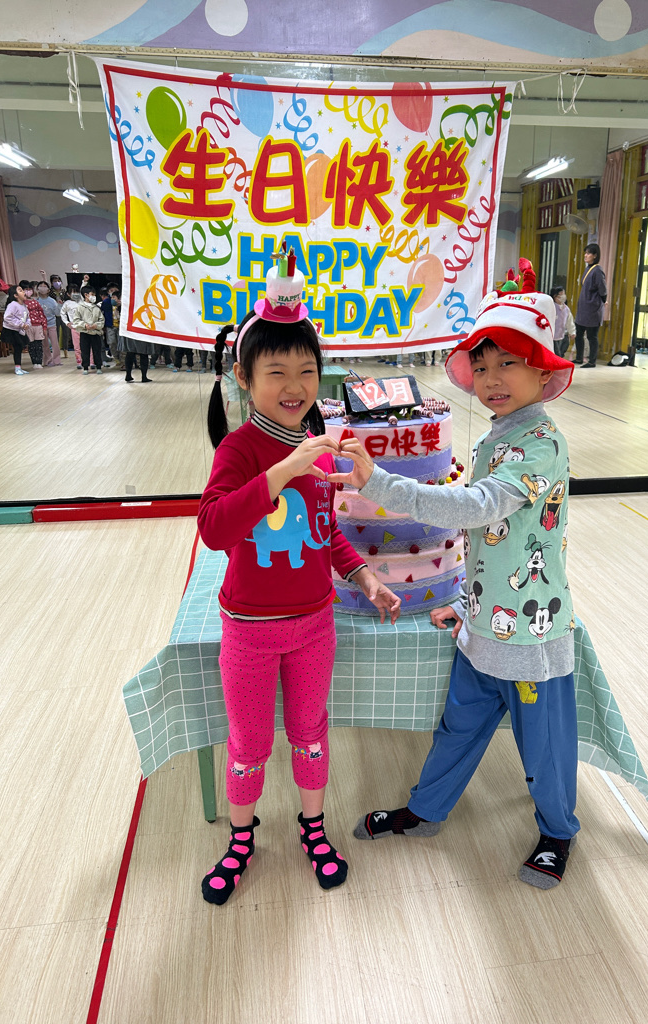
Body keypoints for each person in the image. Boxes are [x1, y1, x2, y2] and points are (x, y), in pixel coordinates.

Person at [333, 259, 581, 890]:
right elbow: (490, 540)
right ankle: (426, 810)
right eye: (483, 365)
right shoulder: (499, 435)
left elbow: (478, 508)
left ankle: (558, 831)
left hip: (529, 634)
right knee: (458, 729)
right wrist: (467, 602)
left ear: (543, 371)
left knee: (544, 746)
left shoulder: (540, 445)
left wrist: (381, 483)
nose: (492, 379)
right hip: (481, 624)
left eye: (509, 364)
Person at [196, 261, 400, 906]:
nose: (294, 386)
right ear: (245, 377)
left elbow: (323, 531)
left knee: (311, 732)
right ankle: (241, 838)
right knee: (249, 742)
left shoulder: (314, 445)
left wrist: (364, 574)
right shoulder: (238, 451)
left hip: (315, 625)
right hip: (249, 632)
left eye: (306, 371)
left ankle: (312, 826)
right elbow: (215, 529)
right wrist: (282, 470)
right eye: (276, 372)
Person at [573, 244, 607, 368]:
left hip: (592, 308)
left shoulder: (598, 270)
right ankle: (579, 358)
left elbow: (602, 289)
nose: (585, 255)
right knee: (579, 334)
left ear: (595, 255)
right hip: (583, 307)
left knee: (592, 336)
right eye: (585, 253)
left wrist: (603, 301)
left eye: (588, 253)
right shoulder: (588, 268)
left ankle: (592, 361)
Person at [71, 284, 105, 374]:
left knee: (97, 350)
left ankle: (98, 366)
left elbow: (101, 320)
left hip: (95, 333)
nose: (94, 296)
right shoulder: (80, 307)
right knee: (85, 350)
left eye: (94, 295)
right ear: (86, 295)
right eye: (92, 294)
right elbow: (76, 320)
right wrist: (84, 325)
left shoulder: (96, 308)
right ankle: (85, 367)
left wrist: (96, 325)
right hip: (84, 333)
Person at [2, 284, 31, 375]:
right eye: (20, 290)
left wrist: (27, 324)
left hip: (19, 330)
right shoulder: (13, 305)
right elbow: (7, 317)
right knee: (17, 347)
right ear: (15, 295)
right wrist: (20, 324)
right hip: (12, 330)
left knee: (19, 348)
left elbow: (27, 317)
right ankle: (17, 368)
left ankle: (18, 367)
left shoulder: (24, 306)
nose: (24, 292)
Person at [19, 281, 47, 369]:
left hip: (38, 325)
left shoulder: (36, 302)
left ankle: (39, 362)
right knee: (31, 345)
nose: (28, 291)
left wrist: (44, 326)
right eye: (26, 289)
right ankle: (34, 362)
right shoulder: (21, 303)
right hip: (28, 326)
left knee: (38, 345)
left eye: (30, 289)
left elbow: (42, 315)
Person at [35, 280, 63, 366]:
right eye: (41, 286)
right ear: (37, 289)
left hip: (52, 325)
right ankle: (47, 361)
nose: (43, 288)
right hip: (41, 326)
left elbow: (57, 314)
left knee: (55, 343)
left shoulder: (52, 301)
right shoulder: (36, 301)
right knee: (45, 344)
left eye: (45, 286)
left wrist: (59, 305)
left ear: (48, 290)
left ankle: (57, 360)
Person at [551, 285, 575, 358]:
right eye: (561, 294)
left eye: (564, 294)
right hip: (553, 335)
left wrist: (572, 332)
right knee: (556, 353)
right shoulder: (552, 307)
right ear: (555, 296)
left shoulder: (566, 309)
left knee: (562, 351)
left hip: (563, 334)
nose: (563, 296)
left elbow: (569, 321)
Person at [60, 290, 83, 368]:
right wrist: (67, 323)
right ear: (69, 294)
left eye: (77, 292)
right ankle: (79, 361)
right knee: (77, 346)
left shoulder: (81, 301)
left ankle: (91, 361)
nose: (75, 294)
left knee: (87, 345)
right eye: (73, 292)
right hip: (74, 327)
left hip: (84, 326)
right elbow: (62, 313)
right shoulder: (67, 303)